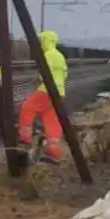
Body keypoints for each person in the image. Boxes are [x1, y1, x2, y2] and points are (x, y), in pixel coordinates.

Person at [18, 30, 68, 160]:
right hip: (60, 93)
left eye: (42, 41)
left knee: (27, 108)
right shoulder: (60, 56)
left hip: (47, 90)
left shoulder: (48, 54)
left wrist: (38, 78)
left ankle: (25, 140)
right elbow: (64, 75)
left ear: (46, 41)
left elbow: (46, 71)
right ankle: (54, 150)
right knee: (51, 119)